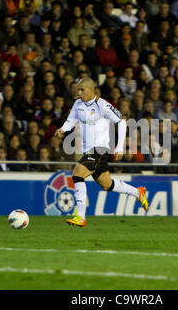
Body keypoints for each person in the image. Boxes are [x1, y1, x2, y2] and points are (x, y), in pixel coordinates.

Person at [54, 77, 149, 227]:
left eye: (82, 90)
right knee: (107, 184)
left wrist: (119, 147)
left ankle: (80, 216)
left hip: (100, 149)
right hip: (88, 150)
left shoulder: (103, 106)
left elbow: (121, 122)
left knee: (77, 173)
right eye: (78, 90)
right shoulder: (78, 104)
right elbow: (71, 120)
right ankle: (138, 192)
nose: (79, 93)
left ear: (92, 90)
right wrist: (63, 129)